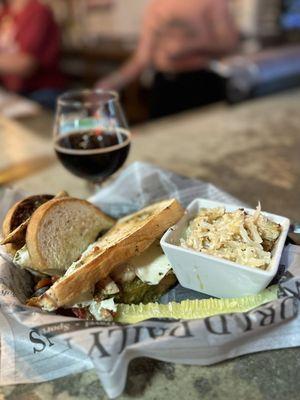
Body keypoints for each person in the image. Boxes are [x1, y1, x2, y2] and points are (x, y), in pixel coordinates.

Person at [96, 0, 239, 118]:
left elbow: (229, 44)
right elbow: (142, 58)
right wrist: (111, 83)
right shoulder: (156, 6)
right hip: (164, 87)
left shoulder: (213, 2)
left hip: (201, 83)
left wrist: (190, 46)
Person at [0, 0, 65, 109]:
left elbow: (25, 64)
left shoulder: (37, 11)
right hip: (14, 93)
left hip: (41, 92)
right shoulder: (5, 13)